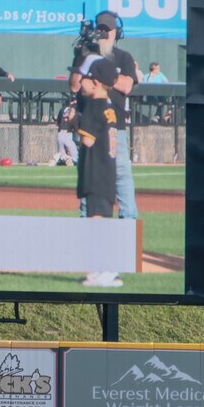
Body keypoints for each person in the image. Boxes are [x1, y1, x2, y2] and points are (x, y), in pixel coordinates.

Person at [88, 10, 140, 221]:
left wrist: (100, 77)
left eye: (107, 30)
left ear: (116, 32)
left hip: (115, 128)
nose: (103, 34)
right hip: (90, 126)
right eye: (100, 30)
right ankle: (88, 223)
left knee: (122, 178)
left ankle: (128, 224)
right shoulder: (87, 55)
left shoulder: (123, 57)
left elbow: (127, 85)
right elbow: (76, 85)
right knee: (89, 180)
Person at [72, 59, 119, 282]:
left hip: (96, 171)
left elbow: (88, 141)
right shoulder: (109, 106)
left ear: (97, 82)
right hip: (108, 171)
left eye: (87, 78)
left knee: (96, 222)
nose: (82, 82)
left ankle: (105, 269)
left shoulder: (94, 106)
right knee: (101, 220)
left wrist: (76, 123)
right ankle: (100, 270)